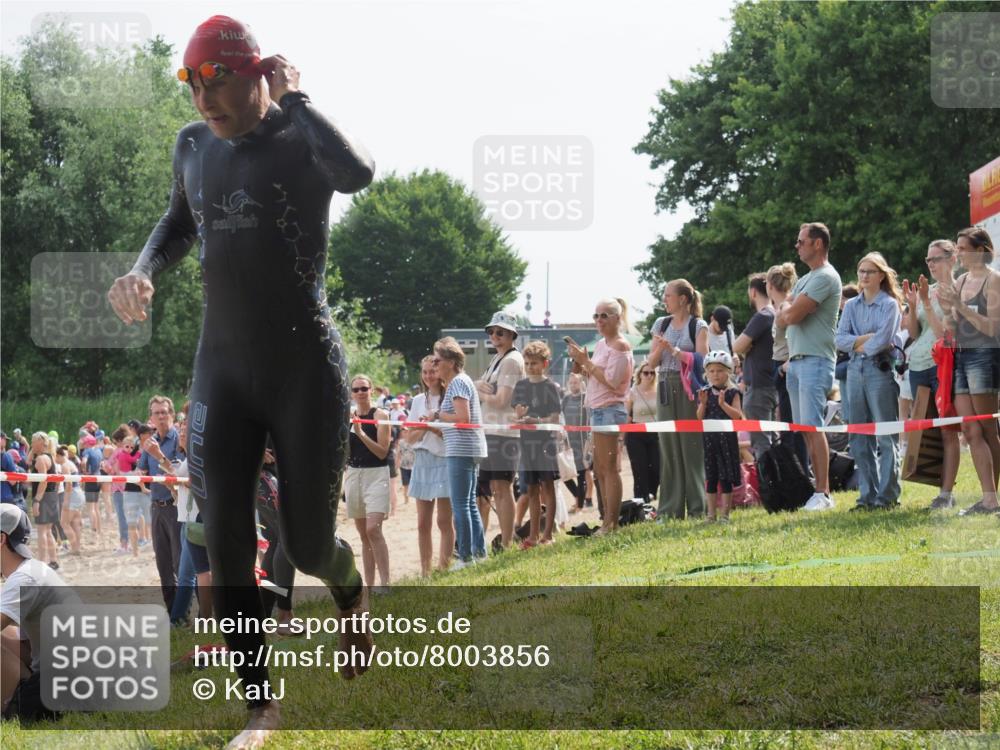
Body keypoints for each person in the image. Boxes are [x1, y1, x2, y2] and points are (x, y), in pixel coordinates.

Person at [106, 15, 376, 737]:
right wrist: (141, 271)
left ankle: (351, 596)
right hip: (221, 371)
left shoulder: (300, 134)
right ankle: (261, 703)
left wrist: (299, 99)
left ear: (258, 73)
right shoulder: (192, 146)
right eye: (194, 86)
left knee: (309, 544)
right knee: (221, 534)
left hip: (304, 370)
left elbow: (359, 174)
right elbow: (177, 222)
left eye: (217, 82)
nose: (204, 102)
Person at [776, 222, 842, 511]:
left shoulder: (825, 277)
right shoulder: (806, 279)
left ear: (818, 244)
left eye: (801, 241)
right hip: (798, 361)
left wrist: (788, 309)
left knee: (814, 428)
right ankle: (818, 490)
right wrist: (788, 309)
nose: (797, 245)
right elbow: (785, 311)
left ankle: (823, 492)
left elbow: (790, 315)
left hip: (816, 361)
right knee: (805, 429)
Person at [937, 227, 1000, 516]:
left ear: (979, 250)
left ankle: (992, 499)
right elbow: (953, 326)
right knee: (970, 429)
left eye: (962, 248)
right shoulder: (960, 281)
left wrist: (960, 305)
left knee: (988, 429)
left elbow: (991, 327)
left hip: (984, 357)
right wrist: (944, 308)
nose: (958, 253)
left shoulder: (993, 280)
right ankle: (989, 499)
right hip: (960, 357)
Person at [835, 252, 903, 511]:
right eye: (861, 271)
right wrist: (864, 340)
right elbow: (839, 340)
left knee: (886, 437)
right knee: (859, 437)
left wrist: (858, 343)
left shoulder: (889, 304)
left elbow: (883, 341)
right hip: (854, 371)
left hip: (879, 370)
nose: (864, 276)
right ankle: (867, 496)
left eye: (870, 272)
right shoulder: (851, 306)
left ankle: (887, 497)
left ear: (881, 275)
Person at [1, 505, 80, 723]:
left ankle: (12, 708)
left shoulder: (23, 580)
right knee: (6, 628)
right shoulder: (32, 570)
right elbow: (24, 646)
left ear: (1, 539)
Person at [901, 240, 961, 509]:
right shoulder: (929, 290)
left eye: (935, 259)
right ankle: (940, 491)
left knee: (948, 430)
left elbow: (943, 336)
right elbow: (914, 334)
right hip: (918, 366)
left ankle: (946, 494)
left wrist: (925, 300)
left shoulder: (957, 290)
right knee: (929, 434)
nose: (931, 265)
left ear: (952, 259)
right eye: (928, 260)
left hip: (942, 365)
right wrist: (914, 306)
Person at [568, 298, 634, 534]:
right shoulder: (602, 345)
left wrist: (586, 363)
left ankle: (611, 524)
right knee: (600, 469)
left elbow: (614, 384)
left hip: (609, 410)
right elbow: (595, 376)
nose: (599, 320)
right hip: (598, 410)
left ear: (617, 318)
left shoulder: (620, 346)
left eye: (604, 315)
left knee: (609, 469)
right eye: (596, 316)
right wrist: (580, 363)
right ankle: (607, 521)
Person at [645, 280, 709, 519]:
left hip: (688, 389)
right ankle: (669, 510)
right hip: (664, 386)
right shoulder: (661, 324)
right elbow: (651, 363)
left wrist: (674, 351)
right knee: (669, 447)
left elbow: (703, 359)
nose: (665, 300)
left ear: (683, 299)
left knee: (691, 447)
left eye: (668, 295)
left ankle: (697, 508)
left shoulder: (698, 325)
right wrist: (661, 349)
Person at [431, 337, 488, 567]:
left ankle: (465, 557)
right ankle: (479, 552)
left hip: (462, 450)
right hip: (469, 448)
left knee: (460, 504)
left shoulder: (457, 383)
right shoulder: (461, 381)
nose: (435, 365)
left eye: (437, 360)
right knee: (469, 503)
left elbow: (462, 419)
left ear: (451, 362)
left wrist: (438, 415)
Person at [475, 312, 525, 550]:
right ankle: (484, 544)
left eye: (501, 332)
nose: (495, 336)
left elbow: (502, 399)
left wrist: (478, 391)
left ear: (512, 334)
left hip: (504, 432)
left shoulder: (512, 360)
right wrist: (478, 387)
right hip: (491, 430)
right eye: (492, 331)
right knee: (489, 491)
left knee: (502, 489)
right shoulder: (499, 358)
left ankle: (507, 542)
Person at [406, 355, 455, 576]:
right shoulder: (417, 401)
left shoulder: (450, 399)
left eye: (432, 371)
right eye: (425, 372)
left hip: (444, 460)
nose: (428, 376)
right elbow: (410, 437)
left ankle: (444, 567)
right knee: (422, 523)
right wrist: (426, 427)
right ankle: (426, 571)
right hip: (423, 461)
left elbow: (453, 435)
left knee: (444, 520)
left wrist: (433, 427)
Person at [511, 341, 563, 547]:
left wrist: (537, 421)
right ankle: (532, 536)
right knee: (530, 490)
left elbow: (555, 418)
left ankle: (548, 534)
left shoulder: (551, 387)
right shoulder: (521, 386)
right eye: (527, 363)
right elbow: (517, 411)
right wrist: (520, 414)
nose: (530, 366)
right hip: (527, 443)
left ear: (544, 363)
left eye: (534, 363)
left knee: (548, 488)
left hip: (546, 443)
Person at [346, 375, 392, 593]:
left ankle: (385, 584)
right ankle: (370, 586)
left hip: (377, 474)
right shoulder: (347, 417)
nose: (361, 392)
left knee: (374, 529)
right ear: (351, 393)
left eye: (364, 388)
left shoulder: (381, 415)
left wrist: (361, 433)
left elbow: (382, 452)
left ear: (371, 390)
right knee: (364, 535)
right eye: (356, 389)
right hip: (354, 475)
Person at [136, 396, 183, 611]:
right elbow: (143, 470)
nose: (162, 416)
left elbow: (178, 474)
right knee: (163, 564)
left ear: (171, 414)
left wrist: (158, 454)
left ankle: (186, 611)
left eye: (165, 412)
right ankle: (172, 612)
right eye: (157, 413)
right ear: (151, 418)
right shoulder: (149, 442)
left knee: (181, 563)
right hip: (156, 507)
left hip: (177, 507)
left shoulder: (180, 439)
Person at [733, 273, 778, 460]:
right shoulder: (775, 313)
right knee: (773, 439)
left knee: (761, 442)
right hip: (771, 384)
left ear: (753, 292)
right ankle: (778, 485)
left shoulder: (763, 315)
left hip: (759, 387)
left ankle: (768, 487)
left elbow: (736, 346)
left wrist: (745, 348)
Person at [697, 351, 744, 522]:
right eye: (711, 371)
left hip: (727, 441)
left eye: (719, 370)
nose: (715, 375)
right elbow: (699, 417)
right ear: (706, 373)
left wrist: (723, 404)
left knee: (725, 479)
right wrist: (702, 404)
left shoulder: (733, 392)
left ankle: (725, 515)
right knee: (711, 478)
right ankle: (711, 514)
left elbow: (737, 415)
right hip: (710, 441)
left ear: (728, 372)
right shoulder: (705, 392)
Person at [624, 363, 660, 503]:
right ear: (639, 374)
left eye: (652, 373)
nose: (649, 376)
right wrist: (621, 439)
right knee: (640, 470)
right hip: (636, 434)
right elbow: (627, 416)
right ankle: (640, 501)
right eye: (646, 373)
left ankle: (651, 494)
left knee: (657, 467)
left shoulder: (658, 392)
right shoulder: (632, 392)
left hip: (655, 433)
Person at [25, 432, 58, 568]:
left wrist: (37, 500)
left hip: (43, 496)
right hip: (51, 496)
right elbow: (27, 461)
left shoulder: (41, 459)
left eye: (33, 442)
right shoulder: (48, 457)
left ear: (40, 442)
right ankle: (53, 561)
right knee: (48, 531)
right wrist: (33, 449)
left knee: (41, 531)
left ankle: (42, 563)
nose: (31, 444)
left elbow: (43, 481)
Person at [561, 373, 591, 512]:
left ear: (581, 384)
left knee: (580, 474)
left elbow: (589, 419)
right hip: (568, 441)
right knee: (565, 474)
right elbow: (561, 418)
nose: (573, 385)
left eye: (576, 383)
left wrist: (588, 442)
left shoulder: (585, 399)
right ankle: (578, 498)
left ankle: (579, 505)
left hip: (582, 441)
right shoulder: (566, 399)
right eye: (571, 383)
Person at [53, 447, 83, 555]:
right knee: (75, 523)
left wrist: (65, 500)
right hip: (79, 492)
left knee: (64, 523)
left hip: (73, 493)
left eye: (55, 456)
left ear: (59, 456)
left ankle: (74, 548)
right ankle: (76, 548)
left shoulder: (65, 466)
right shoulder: (70, 463)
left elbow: (69, 484)